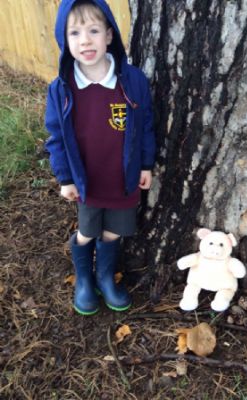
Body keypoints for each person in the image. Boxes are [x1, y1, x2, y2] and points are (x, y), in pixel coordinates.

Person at [45, 0, 156, 315]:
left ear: (109, 35)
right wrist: (65, 178)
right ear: (64, 40)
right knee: (88, 230)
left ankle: (105, 277)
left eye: (93, 31)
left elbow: (146, 125)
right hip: (86, 180)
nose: (85, 41)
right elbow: (56, 138)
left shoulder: (132, 80)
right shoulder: (61, 89)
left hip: (123, 177)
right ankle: (84, 280)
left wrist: (145, 164)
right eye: (75, 33)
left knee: (114, 230)